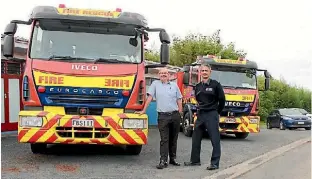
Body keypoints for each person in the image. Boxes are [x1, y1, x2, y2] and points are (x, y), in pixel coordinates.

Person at [136, 68, 183, 169]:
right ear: (158, 75)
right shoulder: (155, 85)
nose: (163, 75)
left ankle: (173, 159)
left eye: (165, 73)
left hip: (175, 115)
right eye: (161, 73)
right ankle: (163, 160)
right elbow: (149, 98)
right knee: (164, 139)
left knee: (173, 138)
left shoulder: (174, 85)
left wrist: (180, 112)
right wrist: (144, 110)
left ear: (169, 75)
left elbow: (179, 99)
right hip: (163, 116)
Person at [184, 63, 225, 170]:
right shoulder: (198, 86)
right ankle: (195, 161)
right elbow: (198, 100)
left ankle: (215, 163)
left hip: (212, 114)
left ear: (210, 72)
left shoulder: (216, 85)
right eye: (202, 71)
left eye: (206, 71)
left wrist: (217, 112)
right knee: (196, 138)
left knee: (215, 139)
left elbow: (222, 100)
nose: (204, 73)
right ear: (200, 72)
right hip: (201, 114)